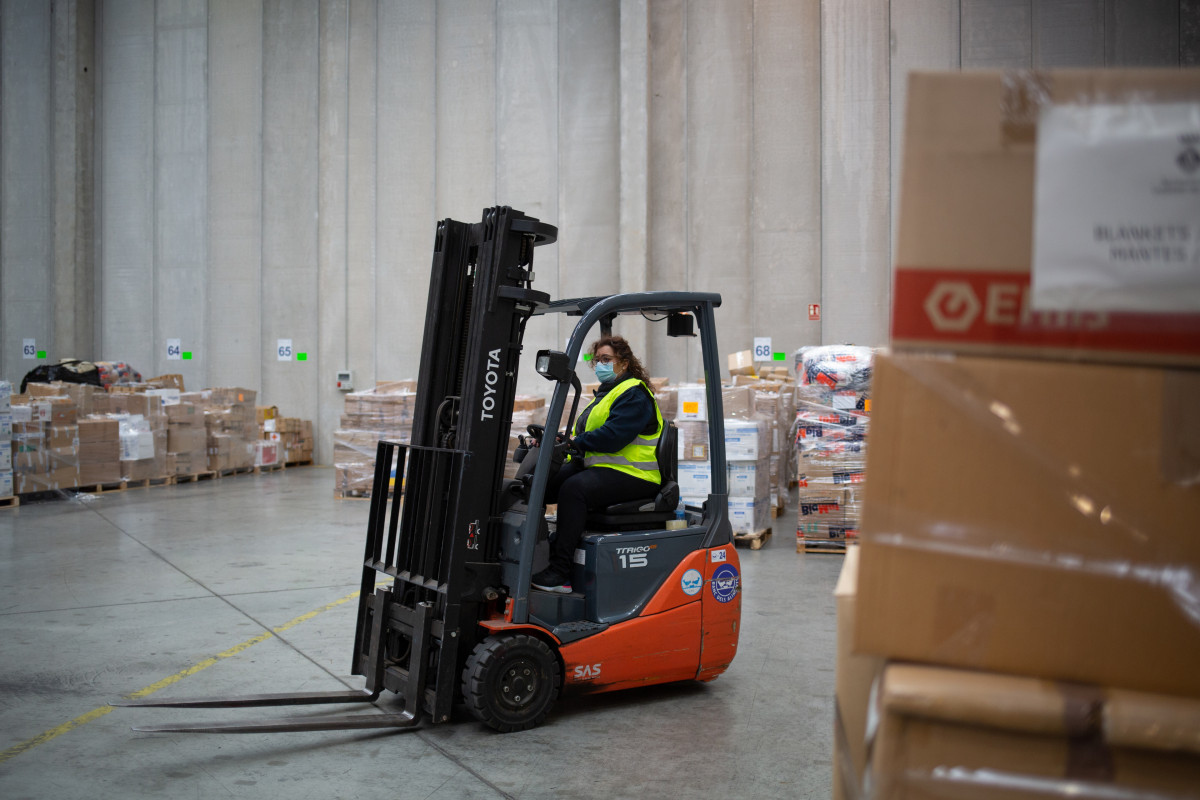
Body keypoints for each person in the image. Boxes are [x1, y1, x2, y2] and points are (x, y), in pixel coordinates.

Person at [530, 335, 663, 593]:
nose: (600, 364)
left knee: (574, 489)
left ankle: (560, 573)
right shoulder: (606, 395)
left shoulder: (634, 393)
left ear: (623, 363)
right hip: (604, 468)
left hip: (635, 475)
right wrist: (559, 445)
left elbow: (613, 437)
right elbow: (584, 439)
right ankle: (538, 551)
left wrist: (576, 443)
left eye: (607, 359)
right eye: (598, 360)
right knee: (540, 485)